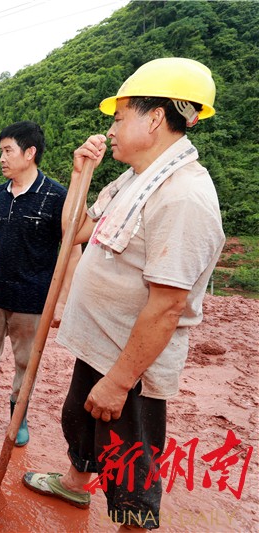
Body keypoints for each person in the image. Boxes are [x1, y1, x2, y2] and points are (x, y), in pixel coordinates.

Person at [22, 58, 224, 531]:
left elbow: (168, 304)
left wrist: (119, 380)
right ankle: (74, 483)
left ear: (154, 118)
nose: (110, 128)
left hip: (131, 364)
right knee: (82, 420)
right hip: (100, 343)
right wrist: (80, 173)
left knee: (130, 462)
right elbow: (75, 230)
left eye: (118, 116)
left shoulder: (183, 196)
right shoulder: (135, 177)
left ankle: (132, 524)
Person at [0, 121, 81, 447]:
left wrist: (63, 302)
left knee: (26, 362)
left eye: (7, 150)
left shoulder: (56, 197)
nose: (2, 158)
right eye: (1, 151)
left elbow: (72, 251)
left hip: (34, 298)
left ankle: (18, 415)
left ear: (30, 153)